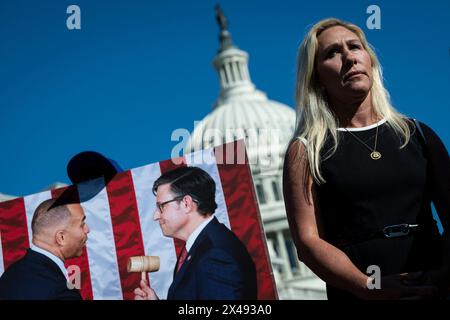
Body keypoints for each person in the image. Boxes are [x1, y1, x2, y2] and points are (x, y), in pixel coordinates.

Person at [283, 18, 449, 300]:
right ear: (317, 78)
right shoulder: (306, 150)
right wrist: (368, 287)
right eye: (332, 53)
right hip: (358, 291)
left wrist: (443, 275)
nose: (349, 57)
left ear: (370, 60)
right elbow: (308, 241)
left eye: (354, 47)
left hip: (434, 282)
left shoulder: (418, 134)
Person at [134, 166, 257, 300]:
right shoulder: (201, 246)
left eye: (161, 206)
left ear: (187, 203)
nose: (156, 216)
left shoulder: (215, 255)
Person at [0, 197, 90, 299]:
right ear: (61, 237)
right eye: (81, 225)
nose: (87, 229)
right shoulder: (61, 292)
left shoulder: (8, 276)